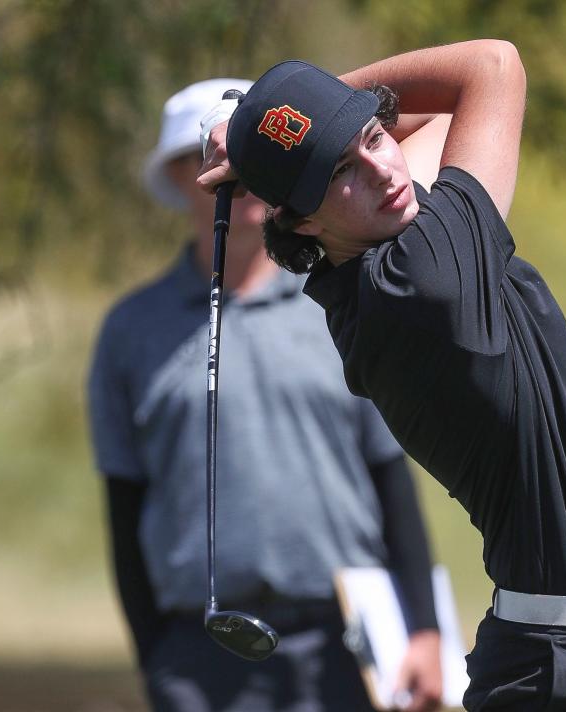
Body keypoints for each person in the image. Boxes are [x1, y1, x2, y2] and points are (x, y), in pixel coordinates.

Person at [197, 41, 566, 711]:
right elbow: (491, 69)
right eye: (342, 170)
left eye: (375, 136)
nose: (382, 169)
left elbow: (433, 121)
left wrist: (294, 123)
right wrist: (286, 118)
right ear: (303, 222)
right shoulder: (421, 283)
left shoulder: (382, 246)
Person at [87, 78, 444, 712]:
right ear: (178, 178)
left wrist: (425, 629)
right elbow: (124, 503)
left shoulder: (340, 299)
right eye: (217, 160)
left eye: (256, 159)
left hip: (349, 639)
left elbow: (390, 477)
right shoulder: (131, 330)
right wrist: (156, 655)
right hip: (202, 650)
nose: (241, 179)